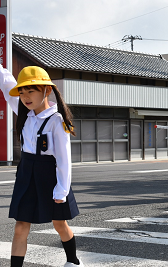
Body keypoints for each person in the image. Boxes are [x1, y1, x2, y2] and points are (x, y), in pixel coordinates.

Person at [0, 65, 83, 267]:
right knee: (20, 226)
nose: (25, 97)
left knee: (59, 223)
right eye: (22, 92)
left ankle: (72, 261)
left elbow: (64, 160)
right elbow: (6, 82)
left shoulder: (57, 120)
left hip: (50, 174)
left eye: (31, 91)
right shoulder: (23, 110)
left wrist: (61, 191)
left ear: (46, 90)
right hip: (26, 172)